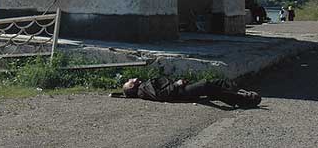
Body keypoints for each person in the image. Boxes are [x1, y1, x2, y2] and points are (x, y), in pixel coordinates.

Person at [111, 77, 261, 108]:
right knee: (206, 85)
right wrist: (176, 85)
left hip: (179, 89)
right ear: (132, 87)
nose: (132, 78)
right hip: (180, 93)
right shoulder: (143, 89)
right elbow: (162, 95)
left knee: (218, 81)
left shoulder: (143, 87)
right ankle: (241, 100)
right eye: (130, 81)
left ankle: (237, 92)